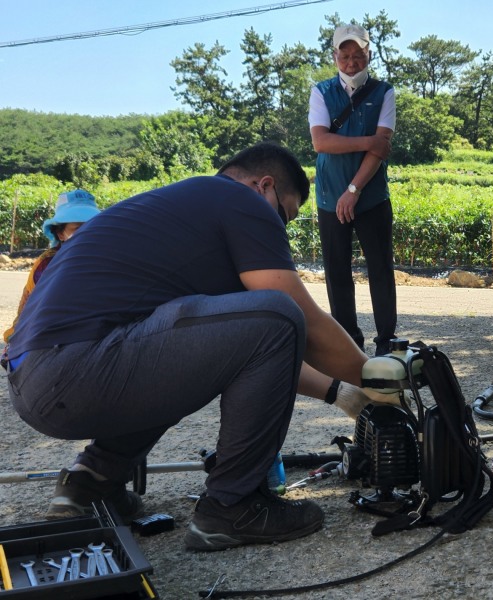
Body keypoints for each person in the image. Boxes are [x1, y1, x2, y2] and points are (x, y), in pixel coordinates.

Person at [5, 142, 390, 552]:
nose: (280, 228)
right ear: (264, 186)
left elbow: (253, 354)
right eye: (284, 215)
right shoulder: (238, 198)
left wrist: (341, 392)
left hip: (34, 378)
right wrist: (376, 376)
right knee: (280, 312)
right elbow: (299, 322)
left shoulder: (180, 215)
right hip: (77, 368)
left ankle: (93, 483)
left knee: (243, 326)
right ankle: (232, 505)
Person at [309, 23, 398, 356]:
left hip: (371, 197)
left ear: (369, 54)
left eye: (358, 55)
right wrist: (366, 141)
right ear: (335, 57)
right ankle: (349, 343)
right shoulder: (321, 92)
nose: (351, 62)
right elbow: (321, 141)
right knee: (337, 272)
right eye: (344, 55)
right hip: (330, 197)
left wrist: (355, 188)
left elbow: (381, 149)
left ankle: (386, 342)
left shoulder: (384, 92)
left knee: (380, 268)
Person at [2, 189, 100, 348]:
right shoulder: (47, 264)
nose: (87, 232)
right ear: (61, 234)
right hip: (47, 339)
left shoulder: (105, 256)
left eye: (92, 226)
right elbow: (32, 313)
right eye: (78, 228)